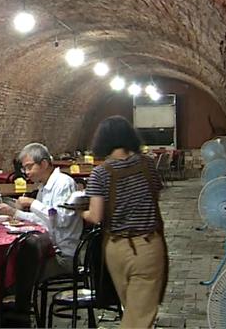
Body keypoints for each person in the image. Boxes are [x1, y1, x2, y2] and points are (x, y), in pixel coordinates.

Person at [82, 116, 166, 328]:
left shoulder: (100, 173)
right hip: (148, 245)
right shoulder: (147, 165)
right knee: (139, 316)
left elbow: (95, 216)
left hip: (116, 248)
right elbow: (155, 195)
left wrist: (80, 213)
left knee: (133, 311)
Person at [0, 142, 81, 276]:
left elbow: (61, 220)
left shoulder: (64, 183)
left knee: (19, 270)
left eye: (29, 167)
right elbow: (40, 219)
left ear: (44, 164)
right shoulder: (43, 186)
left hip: (64, 256)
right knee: (10, 262)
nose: (27, 173)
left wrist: (32, 203)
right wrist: (14, 212)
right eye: (24, 168)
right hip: (48, 249)